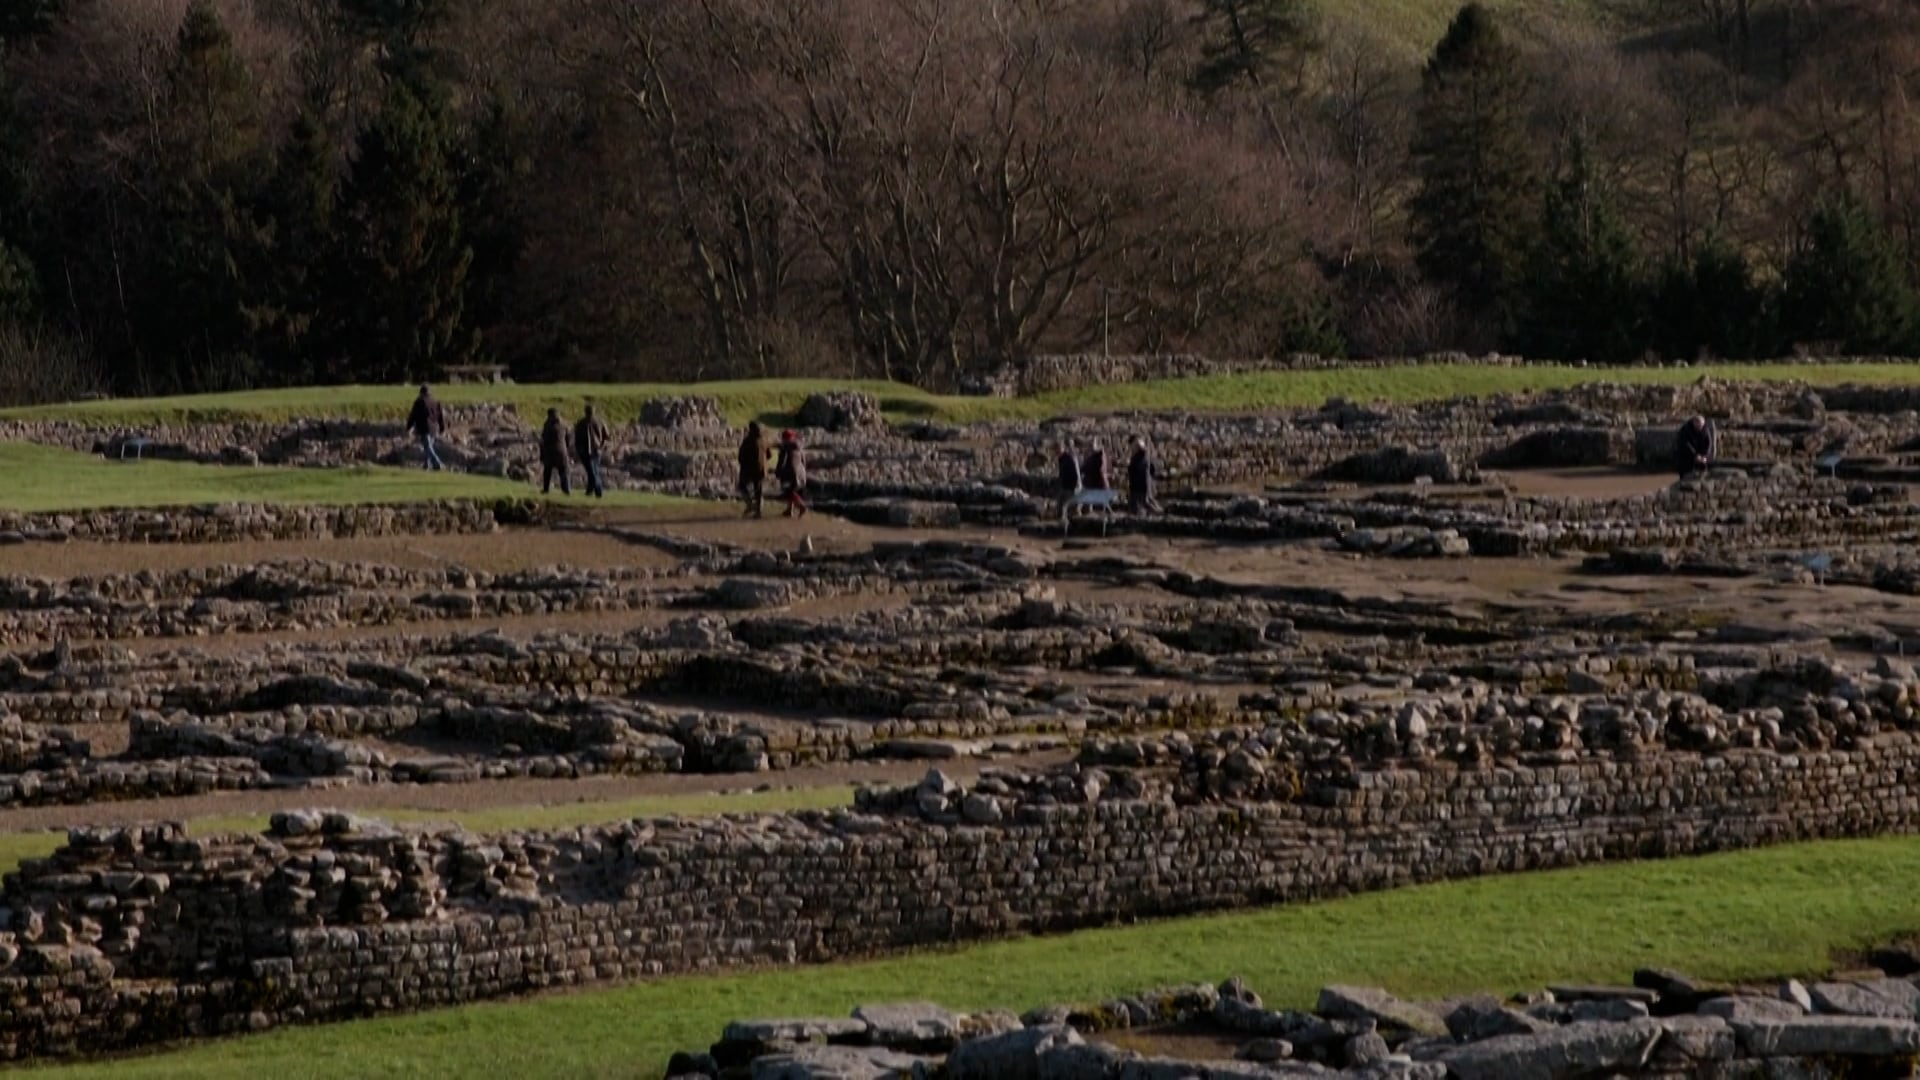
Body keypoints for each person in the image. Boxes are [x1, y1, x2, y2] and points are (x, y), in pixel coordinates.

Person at [573, 404, 611, 498]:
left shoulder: (583, 423)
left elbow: (606, 437)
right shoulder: (597, 422)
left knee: (593, 472)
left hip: (591, 450)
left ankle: (598, 491)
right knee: (593, 471)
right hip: (591, 450)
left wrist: (602, 446)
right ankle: (589, 491)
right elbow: (607, 437)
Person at [406, 385, 446, 471]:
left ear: (421, 393)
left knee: (428, 447)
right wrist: (442, 427)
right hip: (434, 428)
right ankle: (427, 465)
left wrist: (409, 427)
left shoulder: (419, 402)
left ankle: (438, 462)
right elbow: (440, 416)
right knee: (428, 447)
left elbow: (413, 415)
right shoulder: (435, 402)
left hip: (425, 427)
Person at [774, 429, 808, 518]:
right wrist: (803, 470)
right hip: (801, 472)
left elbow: (782, 461)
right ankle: (789, 510)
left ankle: (802, 506)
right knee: (793, 490)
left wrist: (778, 472)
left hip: (790, 473)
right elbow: (804, 460)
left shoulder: (785, 448)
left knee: (788, 492)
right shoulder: (799, 446)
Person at [738, 421, 768, 518]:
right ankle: (759, 511)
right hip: (762, 469)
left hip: (749, 469)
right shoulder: (763, 440)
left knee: (742, 486)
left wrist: (743, 464)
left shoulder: (747, 440)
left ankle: (750, 504)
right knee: (759, 490)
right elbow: (769, 454)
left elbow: (741, 456)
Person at [539, 407, 572, 495]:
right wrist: (566, 448)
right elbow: (568, 438)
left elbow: (543, 440)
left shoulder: (547, 425)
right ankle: (566, 490)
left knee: (547, 471)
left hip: (549, 451)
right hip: (562, 451)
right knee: (563, 471)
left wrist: (542, 454)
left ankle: (546, 489)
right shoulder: (563, 425)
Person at [1127, 437, 1162, 514]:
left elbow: (1144, 474)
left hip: (1140, 489)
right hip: (1138, 488)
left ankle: (1160, 512)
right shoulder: (1141, 457)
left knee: (1141, 508)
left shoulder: (1141, 458)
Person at [1056, 439, 1082, 524]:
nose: (1057, 451)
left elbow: (1076, 472)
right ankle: (1063, 525)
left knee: (1065, 506)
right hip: (1065, 486)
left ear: (1064, 448)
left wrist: (1077, 485)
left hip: (1072, 486)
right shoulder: (1061, 459)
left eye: (1059, 449)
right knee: (1061, 506)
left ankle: (1066, 525)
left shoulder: (1070, 458)